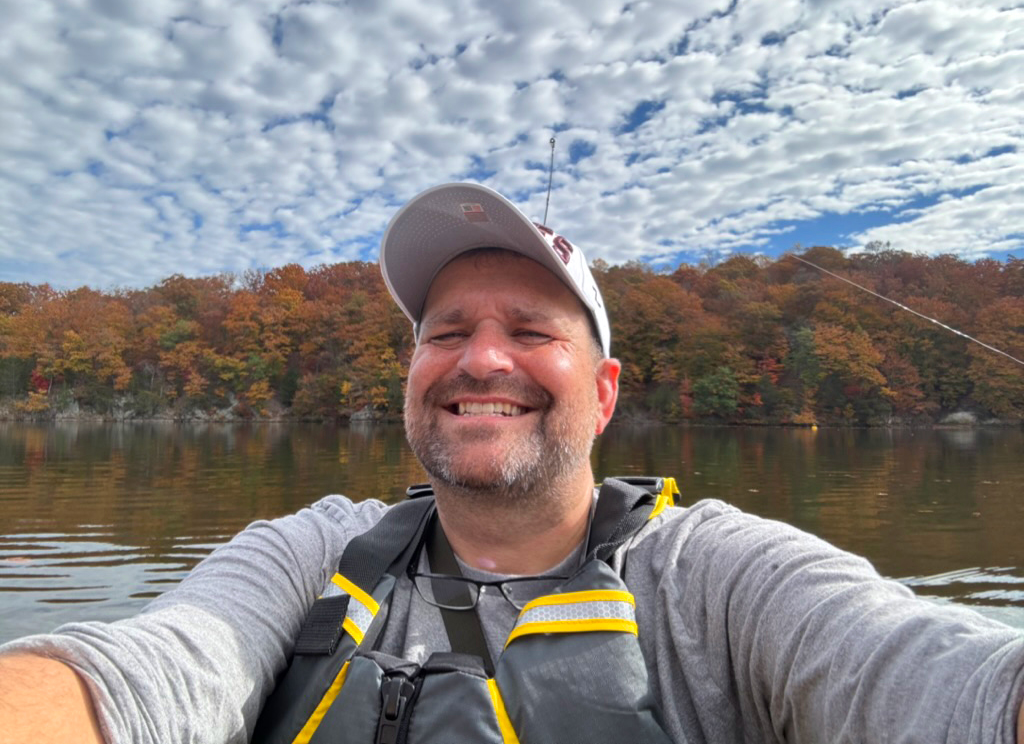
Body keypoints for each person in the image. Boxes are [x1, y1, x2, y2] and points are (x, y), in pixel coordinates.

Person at [1, 183, 1022, 744]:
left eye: (531, 330)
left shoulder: (718, 579)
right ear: (412, 372)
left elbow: (937, 680)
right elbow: (143, 675)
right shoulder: (312, 550)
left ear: (605, 391)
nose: (480, 358)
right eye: (444, 331)